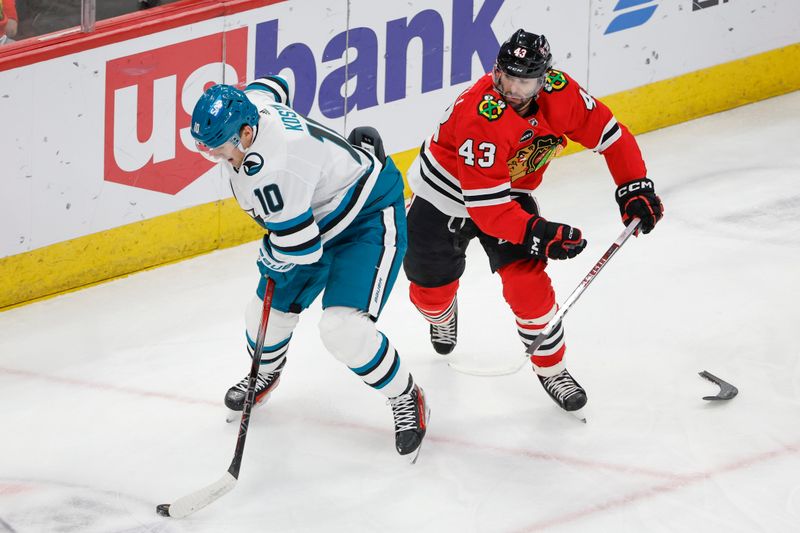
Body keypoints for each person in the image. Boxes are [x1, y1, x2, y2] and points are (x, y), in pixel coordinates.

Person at [403, 29, 663, 417]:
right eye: (507, 76)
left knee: (529, 285)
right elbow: (485, 210)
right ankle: (442, 315)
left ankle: (552, 369)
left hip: (506, 194)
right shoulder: (482, 114)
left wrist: (633, 186)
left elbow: (611, 136)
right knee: (430, 293)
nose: (513, 88)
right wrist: (541, 235)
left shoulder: (561, 93)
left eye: (524, 80)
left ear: (544, 79)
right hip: (442, 199)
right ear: (497, 70)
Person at [190, 77, 429, 457]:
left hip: (364, 216)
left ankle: (406, 396)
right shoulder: (252, 106)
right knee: (262, 318)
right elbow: (275, 85)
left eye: (220, 149)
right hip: (310, 217)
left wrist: (269, 253)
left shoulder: (276, 169)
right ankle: (265, 374)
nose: (218, 157)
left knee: (343, 329)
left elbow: (299, 249)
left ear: (246, 133)